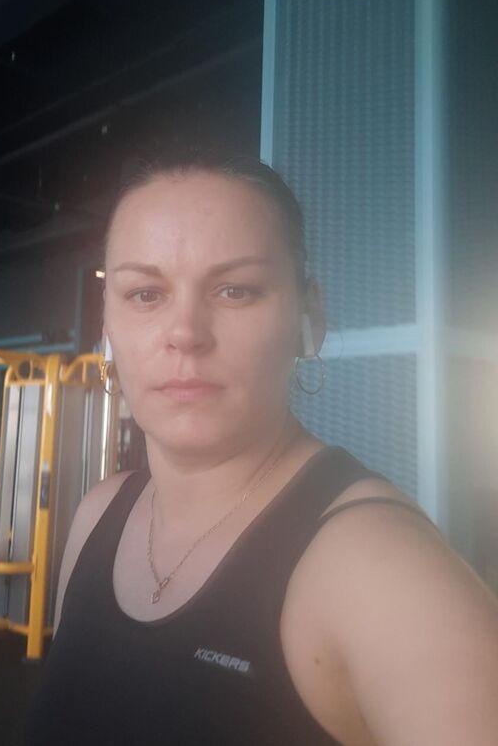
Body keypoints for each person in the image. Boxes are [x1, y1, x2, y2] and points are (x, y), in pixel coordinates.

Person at [27, 150, 498, 745]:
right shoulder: (98, 513)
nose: (185, 334)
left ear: (309, 318)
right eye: (145, 294)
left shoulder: (380, 569)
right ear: (108, 327)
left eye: (236, 290)